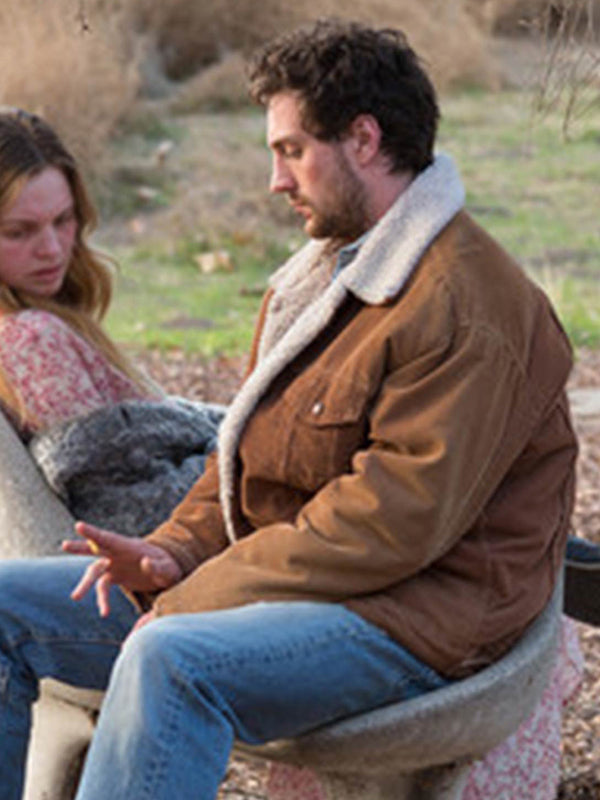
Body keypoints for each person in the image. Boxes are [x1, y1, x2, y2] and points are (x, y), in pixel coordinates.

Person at [0, 20, 583, 800]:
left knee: (172, 658)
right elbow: (242, 456)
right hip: (293, 586)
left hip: (412, 621)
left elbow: (387, 526)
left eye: (291, 150)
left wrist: (193, 597)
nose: (276, 180)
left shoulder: (469, 305)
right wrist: (173, 551)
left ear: (364, 140)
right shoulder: (319, 277)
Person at [0, 107, 223, 538]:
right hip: (173, 557)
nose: (52, 249)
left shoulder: (42, 320)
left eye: (63, 221)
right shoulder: (30, 339)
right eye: (19, 231)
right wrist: (247, 464)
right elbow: (125, 509)